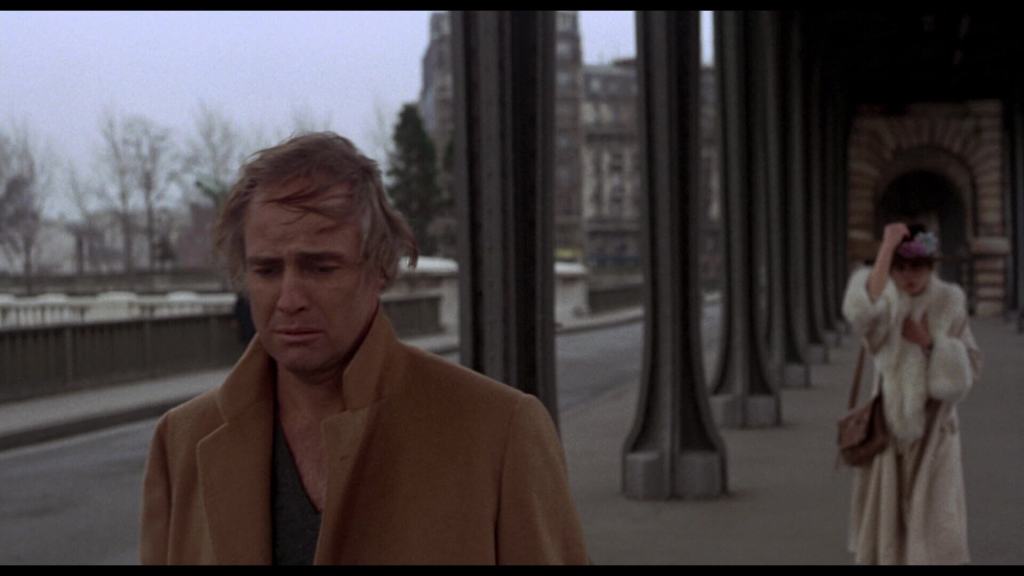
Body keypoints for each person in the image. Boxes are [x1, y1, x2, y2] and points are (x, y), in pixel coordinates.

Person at [139, 132, 588, 565]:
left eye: (321, 268)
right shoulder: (181, 441)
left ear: (380, 268)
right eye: (267, 270)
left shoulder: (499, 431)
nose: (290, 299)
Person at [841, 221, 982, 564]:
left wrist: (931, 344)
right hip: (889, 427)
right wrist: (886, 247)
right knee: (890, 521)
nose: (908, 276)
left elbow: (971, 365)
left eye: (917, 267)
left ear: (930, 267)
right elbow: (862, 313)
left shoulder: (949, 301)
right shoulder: (887, 303)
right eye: (900, 268)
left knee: (937, 520)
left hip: (936, 430)